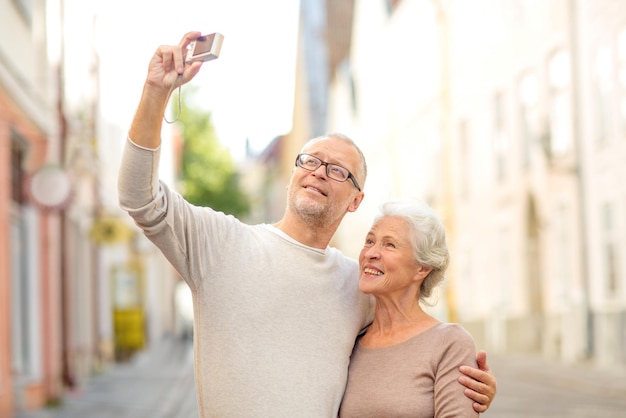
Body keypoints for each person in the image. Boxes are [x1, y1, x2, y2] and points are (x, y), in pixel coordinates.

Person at [118, 31, 496, 418]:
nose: (318, 173)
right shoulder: (221, 244)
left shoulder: (360, 285)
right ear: (293, 174)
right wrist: (154, 93)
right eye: (309, 161)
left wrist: (463, 386)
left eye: (337, 170)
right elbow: (138, 196)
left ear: (355, 201)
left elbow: (405, 344)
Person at [339, 199, 480, 417]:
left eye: (389, 244)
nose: (370, 253)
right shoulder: (350, 341)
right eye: (369, 241)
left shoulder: (449, 343)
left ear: (421, 268)